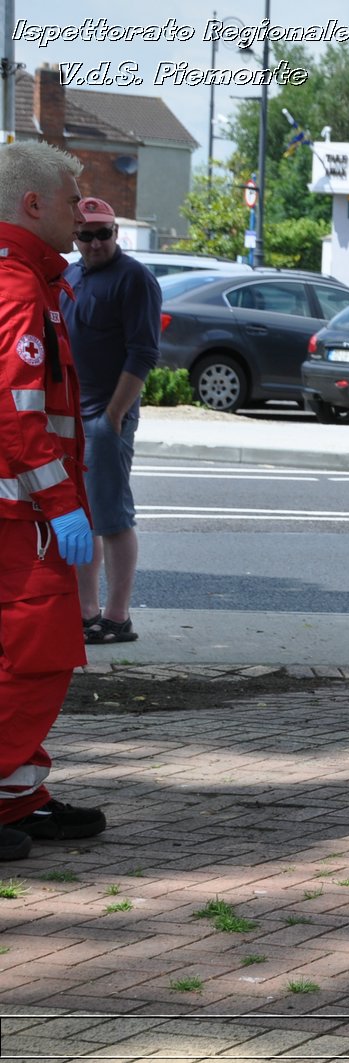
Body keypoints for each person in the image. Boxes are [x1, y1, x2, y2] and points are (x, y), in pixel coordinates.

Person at [0, 141, 106, 862]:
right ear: (34, 204)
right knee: (35, 658)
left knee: (27, 657)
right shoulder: (16, 286)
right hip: (24, 516)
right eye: (72, 199)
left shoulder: (31, 281)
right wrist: (62, 505)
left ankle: (20, 795)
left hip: (27, 511)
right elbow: (18, 410)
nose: (84, 213)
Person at [61, 197, 161, 645]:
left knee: (112, 516)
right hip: (70, 417)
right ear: (76, 237)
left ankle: (117, 617)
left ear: (116, 232)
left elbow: (144, 352)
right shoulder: (70, 274)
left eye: (105, 233)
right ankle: (86, 612)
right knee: (81, 515)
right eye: (87, 234)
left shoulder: (135, 278)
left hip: (105, 416)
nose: (97, 242)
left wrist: (115, 415)